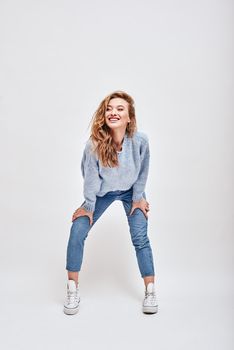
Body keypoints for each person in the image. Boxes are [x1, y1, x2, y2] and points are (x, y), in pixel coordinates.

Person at [63, 90, 158, 315]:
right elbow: (89, 178)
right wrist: (87, 206)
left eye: (119, 109)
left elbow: (143, 172)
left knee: (140, 236)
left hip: (131, 193)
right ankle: (72, 288)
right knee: (77, 230)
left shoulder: (141, 141)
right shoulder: (93, 145)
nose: (113, 112)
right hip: (102, 193)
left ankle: (151, 290)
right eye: (109, 109)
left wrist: (138, 198)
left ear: (129, 118)